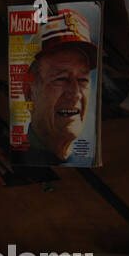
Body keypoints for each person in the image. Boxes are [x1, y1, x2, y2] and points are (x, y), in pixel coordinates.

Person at [23, 10, 98, 166]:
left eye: (83, 79)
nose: (76, 93)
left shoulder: (86, 161)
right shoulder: (21, 160)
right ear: (30, 93)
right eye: (62, 78)